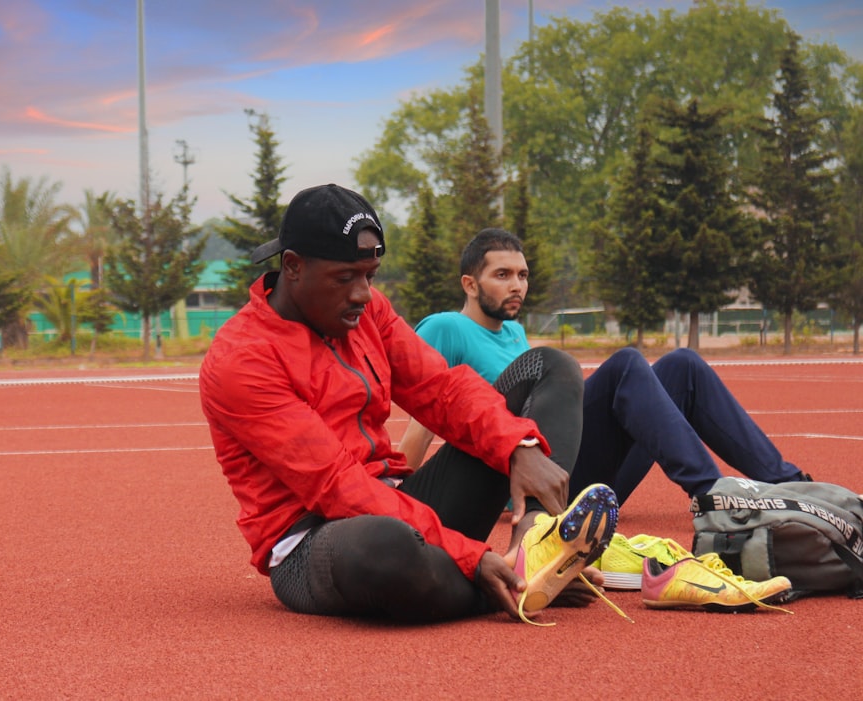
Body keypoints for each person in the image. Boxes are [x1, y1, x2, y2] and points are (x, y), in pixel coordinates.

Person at [199, 184, 620, 625]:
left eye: (370, 276)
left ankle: (535, 545)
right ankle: (513, 585)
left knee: (548, 365)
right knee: (387, 547)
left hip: (401, 501)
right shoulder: (242, 360)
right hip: (318, 538)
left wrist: (519, 445)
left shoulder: (367, 311)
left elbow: (442, 390)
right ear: (293, 266)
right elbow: (338, 487)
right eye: (345, 279)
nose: (363, 293)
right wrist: (471, 556)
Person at [399, 228, 811, 508]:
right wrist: (400, 497)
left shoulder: (514, 334)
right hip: (534, 486)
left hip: (582, 475)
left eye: (523, 275)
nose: (517, 286)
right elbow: (424, 415)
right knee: (626, 364)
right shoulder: (446, 328)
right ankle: (712, 496)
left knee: (683, 365)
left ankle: (791, 486)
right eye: (502, 275)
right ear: (470, 284)